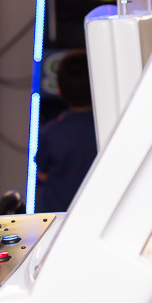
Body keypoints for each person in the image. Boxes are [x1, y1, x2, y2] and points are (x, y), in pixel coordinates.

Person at [35, 49, 98, 213]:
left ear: (59, 90)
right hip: (97, 211)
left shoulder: (53, 131)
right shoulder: (107, 127)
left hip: (59, 214)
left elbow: (42, 174)